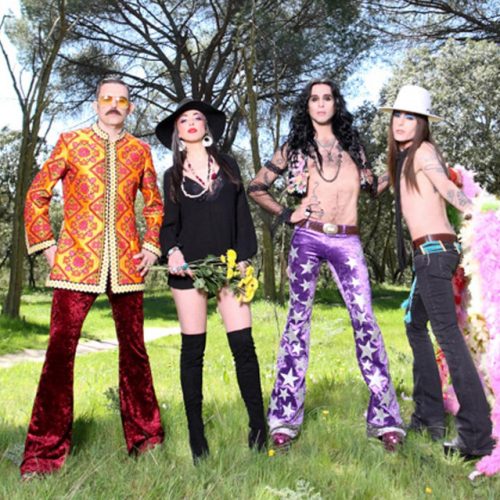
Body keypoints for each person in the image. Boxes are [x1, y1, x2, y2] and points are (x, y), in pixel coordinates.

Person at [248, 79, 405, 451]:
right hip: (308, 238)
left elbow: (373, 189)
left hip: (347, 240)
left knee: (366, 321)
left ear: (336, 104)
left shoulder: (353, 148)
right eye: (314, 99)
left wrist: (400, 163)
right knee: (297, 323)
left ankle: (385, 420)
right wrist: (287, 213)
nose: (321, 104)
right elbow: (256, 187)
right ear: (307, 106)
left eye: (327, 98)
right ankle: (284, 419)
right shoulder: (293, 148)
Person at [21, 77, 165, 479]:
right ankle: (43, 454)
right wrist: (47, 246)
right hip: (75, 264)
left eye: (122, 100)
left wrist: (152, 246)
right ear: (96, 103)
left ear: (130, 107)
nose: (114, 105)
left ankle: (147, 442)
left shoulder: (140, 151)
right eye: (107, 98)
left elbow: (154, 205)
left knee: (135, 354)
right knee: (59, 355)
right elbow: (37, 194)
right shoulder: (71, 141)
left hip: (127, 265)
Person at [379, 84, 494, 458]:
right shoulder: (404, 158)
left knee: (448, 337)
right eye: (397, 115)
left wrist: (479, 212)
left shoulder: (423, 151)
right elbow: (377, 186)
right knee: (415, 324)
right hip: (430, 254)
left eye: (410, 117)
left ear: (423, 123)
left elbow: (446, 187)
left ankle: (476, 435)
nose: (401, 122)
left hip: (434, 253)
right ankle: (428, 418)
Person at [156, 99, 266, 462]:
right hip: (190, 269)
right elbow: (169, 225)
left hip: (230, 267)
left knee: (244, 347)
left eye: (197, 118)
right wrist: (172, 252)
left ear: (207, 127)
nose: (190, 122)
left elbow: (242, 217)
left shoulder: (229, 165)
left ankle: (258, 427)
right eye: (183, 120)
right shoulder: (171, 176)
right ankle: (196, 437)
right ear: (177, 131)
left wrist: (245, 258)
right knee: (193, 352)